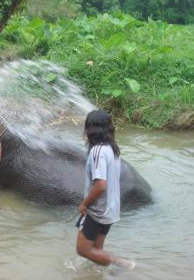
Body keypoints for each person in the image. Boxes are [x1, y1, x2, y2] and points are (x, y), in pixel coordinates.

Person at [75, 109, 134, 269]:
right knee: (96, 250)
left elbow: (100, 185)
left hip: (97, 210)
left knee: (82, 250)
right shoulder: (112, 149)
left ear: (90, 129)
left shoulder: (97, 151)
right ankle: (98, 274)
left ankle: (119, 264)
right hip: (111, 209)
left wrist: (84, 204)